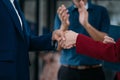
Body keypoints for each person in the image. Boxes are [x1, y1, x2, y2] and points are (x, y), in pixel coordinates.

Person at [0, 0, 64, 80]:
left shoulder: (15, 4)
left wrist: (51, 37)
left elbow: (27, 41)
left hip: (21, 70)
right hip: (5, 71)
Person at [54, 0, 110, 80]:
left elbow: (105, 42)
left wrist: (86, 24)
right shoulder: (63, 14)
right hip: (68, 72)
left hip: (94, 72)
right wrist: (64, 26)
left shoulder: (101, 11)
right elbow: (58, 47)